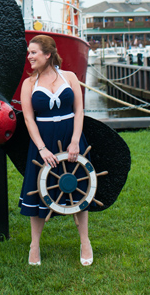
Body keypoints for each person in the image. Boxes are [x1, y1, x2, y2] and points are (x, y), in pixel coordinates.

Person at [19, 34, 92, 266]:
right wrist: (41, 148)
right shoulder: (29, 84)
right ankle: (34, 245)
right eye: (29, 52)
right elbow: (29, 119)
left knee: (79, 188)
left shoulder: (69, 77)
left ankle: (85, 241)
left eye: (33, 52)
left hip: (71, 137)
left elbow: (79, 111)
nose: (28, 56)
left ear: (48, 54)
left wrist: (75, 141)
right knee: (38, 190)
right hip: (44, 142)